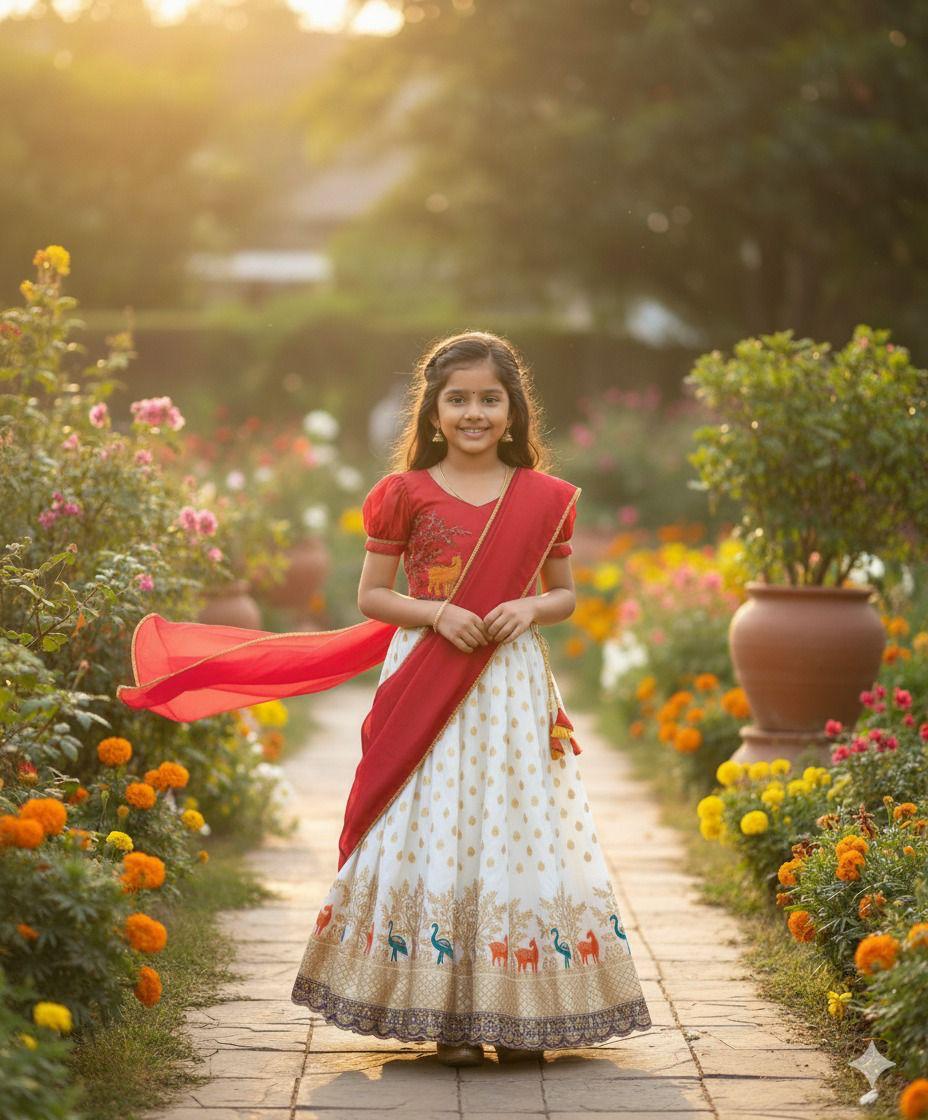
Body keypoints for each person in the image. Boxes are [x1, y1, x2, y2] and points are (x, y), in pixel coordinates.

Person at [117, 329, 652, 1067]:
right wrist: (438, 612)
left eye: (489, 399)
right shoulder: (405, 494)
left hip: (508, 683)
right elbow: (372, 595)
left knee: (511, 821)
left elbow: (562, 596)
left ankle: (522, 1010)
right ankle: (451, 1018)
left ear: (513, 409)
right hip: (427, 670)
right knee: (434, 819)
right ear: (432, 412)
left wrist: (526, 611)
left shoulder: (544, 499)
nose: (473, 412)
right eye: (457, 399)